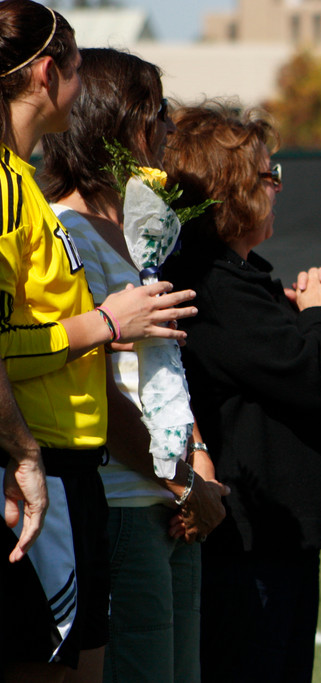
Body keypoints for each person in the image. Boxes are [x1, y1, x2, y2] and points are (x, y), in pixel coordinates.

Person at [0, 2, 199, 680]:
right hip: (47, 469)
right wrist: (108, 324)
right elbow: (4, 344)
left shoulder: (23, 183)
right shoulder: (8, 189)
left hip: (75, 468)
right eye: (79, 69)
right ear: (47, 73)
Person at [40, 47, 229, 683]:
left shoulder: (131, 228)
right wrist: (185, 484)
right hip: (124, 498)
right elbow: (95, 388)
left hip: (168, 495)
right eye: (157, 112)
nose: (170, 128)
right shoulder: (69, 230)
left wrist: (197, 461)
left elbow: (160, 374)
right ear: (114, 123)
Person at [160, 102, 321, 683]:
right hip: (249, 539)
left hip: (269, 533)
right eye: (270, 177)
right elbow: (313, 371)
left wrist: (299, 315)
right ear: (234, 191)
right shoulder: (214, 281)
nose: (277, 189)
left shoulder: (235, 277)